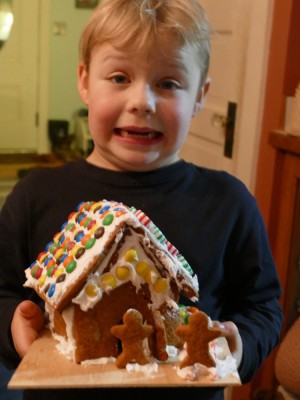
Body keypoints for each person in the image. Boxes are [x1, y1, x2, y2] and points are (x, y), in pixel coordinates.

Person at [0, 0, 283, 399]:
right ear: (84, 81)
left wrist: (240, 344)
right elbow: (4, 290)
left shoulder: (228, 203)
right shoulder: (35, 197)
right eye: (119, 77)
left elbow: (263, 306)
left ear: (200, 95)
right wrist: (12, 324)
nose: (142, 101)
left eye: (168, 83)